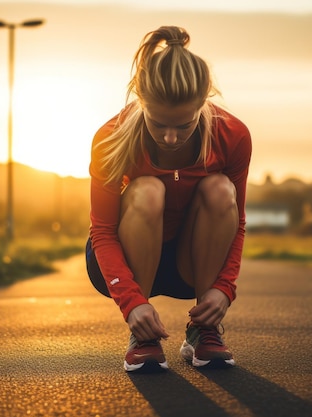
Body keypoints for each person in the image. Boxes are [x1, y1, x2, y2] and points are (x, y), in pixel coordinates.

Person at [86, 25, 252, 372]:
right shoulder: (110, 138)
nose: (171, 138)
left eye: (185, 125)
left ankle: (203, 330)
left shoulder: (232, 135)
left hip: (188, 263)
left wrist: (224, 289)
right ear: (141, 101)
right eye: (159, 124)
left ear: (204, 102)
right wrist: (131, 303)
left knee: (221, 189)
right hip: (126, 260)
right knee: (148, 190)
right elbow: (101, 231)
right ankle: (142, 337)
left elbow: (237, 223)